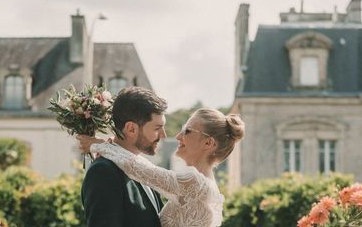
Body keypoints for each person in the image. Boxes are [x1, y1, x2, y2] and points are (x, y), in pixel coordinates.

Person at [78, 107, 245, 227]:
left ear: (209, 143)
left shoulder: (196, 184)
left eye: (187, 131)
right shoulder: (207, 188)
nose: (178, 136)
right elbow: (147, 169)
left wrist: (98, 145)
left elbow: (141, 170)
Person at [81, 86, 168, 227]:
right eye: (157, 128)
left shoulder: (144, 168)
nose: (164, 136)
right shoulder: (104, 172)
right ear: (131, 129)